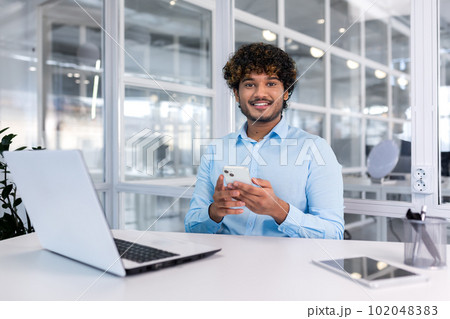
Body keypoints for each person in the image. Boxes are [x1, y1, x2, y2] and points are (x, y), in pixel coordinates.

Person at [184, 43, 344, 239]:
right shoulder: (216, 150)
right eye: (249, 84)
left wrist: (280, 211)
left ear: (286, 92)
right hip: (225, 264)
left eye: (271, 83)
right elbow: (192, 228)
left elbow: (334, 233)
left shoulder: (314, 149)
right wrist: (214, 212)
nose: (260, 93)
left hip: (289, 267)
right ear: (236, 93)